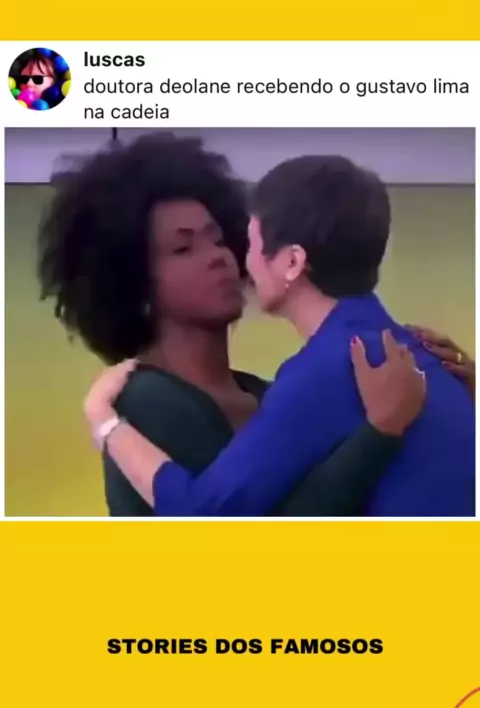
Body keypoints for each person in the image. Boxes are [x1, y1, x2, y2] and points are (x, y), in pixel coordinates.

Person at [39, 133, 428, 518]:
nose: (218, 257)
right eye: (183, 248)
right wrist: (379, 433)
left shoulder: (265, 393)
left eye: (218, 239)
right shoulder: (145, 399)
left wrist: (431, 368)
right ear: (135, 283)